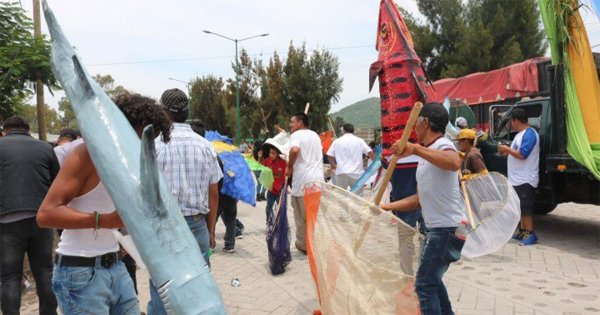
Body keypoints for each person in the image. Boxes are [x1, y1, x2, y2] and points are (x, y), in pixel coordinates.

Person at [37, 93, 172, 314]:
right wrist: (104, 220)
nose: (145, 145)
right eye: (143, 137)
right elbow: (46, 215)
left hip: (116, 266)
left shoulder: (129, 161)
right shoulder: (86, 154)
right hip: (80, 273)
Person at [381, 103, 466, 315]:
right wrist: (385, 206)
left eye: (416, 124)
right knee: (433, 281)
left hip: (446, 230)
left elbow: (454, 162)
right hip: (438, 229)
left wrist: (415, 149)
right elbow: (419, 199)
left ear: (425, 122)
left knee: (424, 286)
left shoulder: (442, 144)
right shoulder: (427, 155)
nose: (413, 130)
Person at [151, 88, 222, 314]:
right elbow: (214, 194)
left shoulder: (154, 146)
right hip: (197, 224)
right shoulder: (205, 146)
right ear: (187, 111)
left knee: (163, 289)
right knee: (200, 288)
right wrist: (210, 230)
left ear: (163, 112)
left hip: (164, 227)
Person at [0, 116, 59, 315]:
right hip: (41, 220)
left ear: (5, 131)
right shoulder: (45, 148)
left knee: (9, 278)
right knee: (45, 272)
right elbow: (56, 183)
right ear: (28, 130)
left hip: (6, 222)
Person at [497, 108, 540, 246]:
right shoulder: (519, 135)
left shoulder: (530, 134)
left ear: (515, 120)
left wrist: (507, 149)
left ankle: (531, 233)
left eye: (511, 121)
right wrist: (507, 152)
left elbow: (522, 154)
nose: (510, 124)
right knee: (520, 206)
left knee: (526, 207)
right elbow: (516, 151)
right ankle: (523, 231)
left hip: (525, 178)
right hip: (516, 178)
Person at [286, 113, 324, 254]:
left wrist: (289, 167)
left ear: (300, 122)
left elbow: (295, 150)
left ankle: (304, 244)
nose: (290, 125)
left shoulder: (296, 135)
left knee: (301, 216)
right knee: (313, 215)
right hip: (318, 181)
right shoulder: (315, 135)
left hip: (303, 182)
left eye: (292, 122)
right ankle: (315, 242)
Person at [326, 124, 374, 194]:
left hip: (341, 173)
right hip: (356, 174)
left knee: (340, 197)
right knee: (357, 198)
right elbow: (370, 152)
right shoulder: (359, 141)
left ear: (343, 130)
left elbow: (330, 156)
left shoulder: (337, 141)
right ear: (353, 131)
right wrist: (374, 164)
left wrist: (333, 166)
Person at [260, 146, 287, 224]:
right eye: (270, 153)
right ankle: (269, 223)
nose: (271, 155)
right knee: (268, 208)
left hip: (280, 191)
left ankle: (280, 224)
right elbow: (259, 166)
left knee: (280, 210)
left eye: (273, 153)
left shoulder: (283, 162)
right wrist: (259, 157)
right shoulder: (267, 161)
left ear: (278, 154)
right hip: (271, 190)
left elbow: (289, 171)